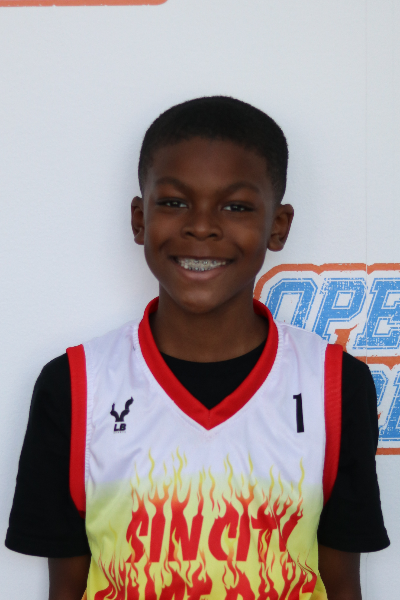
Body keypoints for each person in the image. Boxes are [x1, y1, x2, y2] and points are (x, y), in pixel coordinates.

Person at [5, 96, 389, 600]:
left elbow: (341, 583)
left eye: (236, 207)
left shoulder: (334, 386)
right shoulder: (76, 386)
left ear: (278, 226)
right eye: (174, 202)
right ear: (139, 219)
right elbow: (67, 588)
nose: (202, 226)